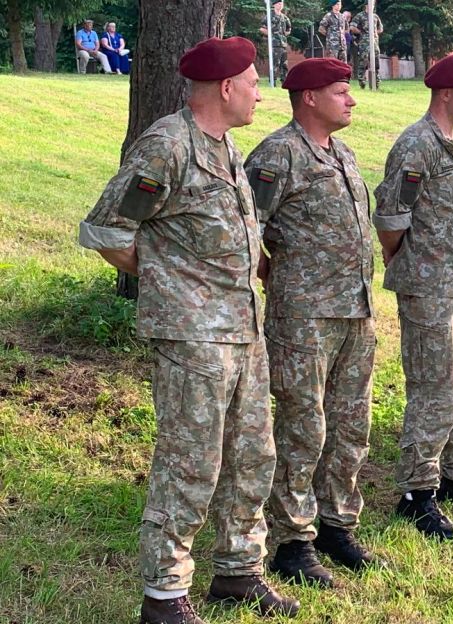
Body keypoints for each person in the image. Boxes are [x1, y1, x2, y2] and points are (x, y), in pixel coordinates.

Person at [77, 37, 298, 624]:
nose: (260, 92)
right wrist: (168, 278)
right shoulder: (167, 147)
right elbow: (106, 229)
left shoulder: (223, 147)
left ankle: (237, 572)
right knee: (190, 463)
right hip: (192, 336)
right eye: (253, 81)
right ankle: (164, 595)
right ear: (225, 88)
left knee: (252, 455)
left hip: (243, 331)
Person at [244, 58, 384, 589]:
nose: (351, 100)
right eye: (341, 92)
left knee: (350, 425)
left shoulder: (342, 154)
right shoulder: (278, 155)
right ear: (309, 98)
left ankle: (336, 524)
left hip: (354, 311)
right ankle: (291, 540)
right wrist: (274, 276)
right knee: (304, 426)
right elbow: (245, 226)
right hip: (303, 316)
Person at [373, 52, 453, 540]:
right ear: (445, 94)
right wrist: (408, 261)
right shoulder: (417, 145)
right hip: (429, 289)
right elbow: (391, 219)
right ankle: (417, 492)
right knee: (435, 392)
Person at [259, 0, 292, 83]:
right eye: (278, 4)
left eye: (281, 4)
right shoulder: (269, 16)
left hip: (283, 44)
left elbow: (289, 29)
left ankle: (284, 82)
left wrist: (283, 35)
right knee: (274, 64)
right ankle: (272, 82)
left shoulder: (285, 17)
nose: (280, 5)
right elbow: (262, 28)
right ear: (274, 5)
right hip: (274, 44)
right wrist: (272, 35)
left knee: (284, 64)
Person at [350, 8, 383, 88]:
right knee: (363, 62)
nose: (372, 6)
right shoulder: (360, 15)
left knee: (376, 62)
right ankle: (362, 81)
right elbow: (352, 27)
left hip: (374, 42)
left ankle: (376, 82)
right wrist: (362, 33)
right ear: (366, 5)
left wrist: (375, 33)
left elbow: (380, 28)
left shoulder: (375, 16)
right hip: (364, 43)